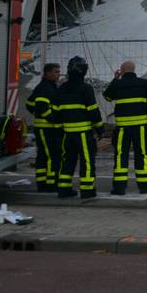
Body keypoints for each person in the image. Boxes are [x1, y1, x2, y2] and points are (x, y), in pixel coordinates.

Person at [102, 60, 147, 195]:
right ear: (134, 70)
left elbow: (107, 96)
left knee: (120, 156)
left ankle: (119, 188)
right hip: (140, 128)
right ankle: (145, 187)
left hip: (122, 128)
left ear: (122, 71)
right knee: (141, 155)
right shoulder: (144, 83)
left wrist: (115, 79)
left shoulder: (118, 84)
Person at [52, 56, 104, 199]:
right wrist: (100, 129)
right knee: (86, 161)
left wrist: (59, 131)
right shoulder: (86, 89)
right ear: (83, 70)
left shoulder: (61, 89)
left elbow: (55, 113)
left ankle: (64, 188)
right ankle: (87, 190)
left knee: (67, 161)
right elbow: (93, 111)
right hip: (83, 134)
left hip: (67, 134)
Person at [25, 63, 62, 192]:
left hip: (46, 127)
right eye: (56, 72)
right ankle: (51, 184)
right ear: (47, 73)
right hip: (46, 128)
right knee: (52, 155)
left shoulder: (47, 86)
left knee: (43, 155)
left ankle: (42, 183)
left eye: (59, 72)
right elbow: (42, 107)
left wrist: (36, 112)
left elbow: (30, 103)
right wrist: (53, 118)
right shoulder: (45, 88)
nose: (58, 74)